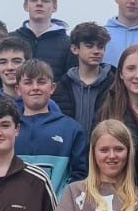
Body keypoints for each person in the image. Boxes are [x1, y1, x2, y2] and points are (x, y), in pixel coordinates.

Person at [13, 58, 89, 200]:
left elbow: (80, 174)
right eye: (28, 82)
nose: (35, 87)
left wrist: (63, 203)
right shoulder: (7, 128)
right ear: (18, 89)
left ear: (52, 87)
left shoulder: (71, 129)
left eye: (41, 82)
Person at [54, 22, 115, 133]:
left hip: (103, 148)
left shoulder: (114, 85)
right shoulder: (61, 87)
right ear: (74, 49)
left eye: (100, 46)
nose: (96, 51)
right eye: (89, 46)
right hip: (70, 148)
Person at [12, 0, 70, 81]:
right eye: (34, 0)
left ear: (54, 7)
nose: (39, 4)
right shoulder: (11, 40)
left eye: (45, 0)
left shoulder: (68, 43)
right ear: (25, 6)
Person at [0, 37, 30, 102]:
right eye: (3, 62)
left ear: (29, 65)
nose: (10, 67)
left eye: (16, 61)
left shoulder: (46, 104)